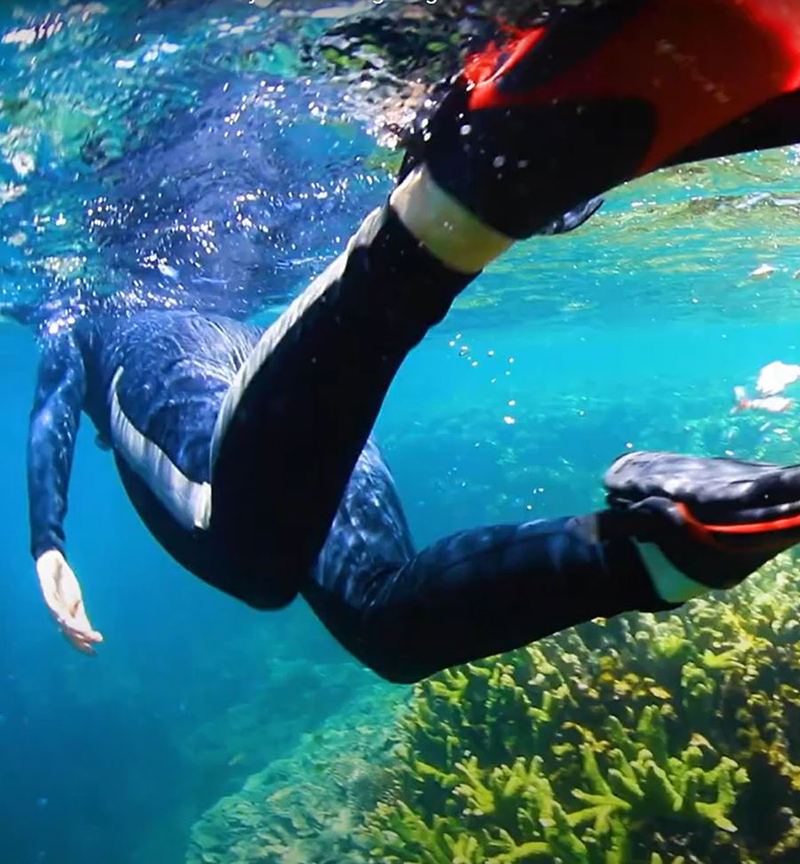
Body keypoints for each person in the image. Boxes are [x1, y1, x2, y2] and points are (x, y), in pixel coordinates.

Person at [27, 0, 800, 682]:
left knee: (253, 566)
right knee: (384, 621)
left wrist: (48, 543)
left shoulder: (85, 312)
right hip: (272, 386)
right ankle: (670, 551)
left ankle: (452, 204)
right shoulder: (168, 309)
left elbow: (55, 409)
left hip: (197, 383)